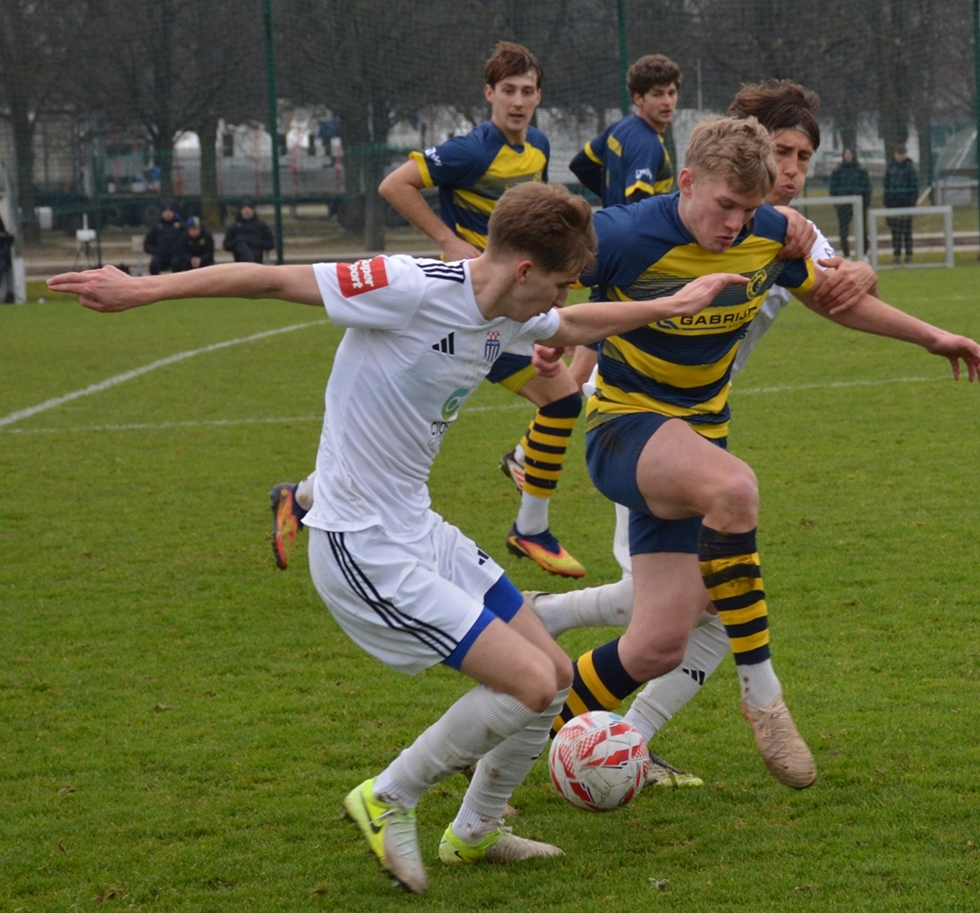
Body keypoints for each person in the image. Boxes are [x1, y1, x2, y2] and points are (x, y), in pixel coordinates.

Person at [46, 182, 743, 895]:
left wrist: (666, 306)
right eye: (560, 281)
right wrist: (144, 289)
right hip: (360, 542)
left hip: (419, 527)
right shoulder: (407, 286)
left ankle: (475, 832)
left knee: (558, 674)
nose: (562, 298)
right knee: (533, 685)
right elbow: (270, 279)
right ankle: (388, 796)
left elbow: (571, 323)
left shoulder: (511, 309)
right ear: (524, 269)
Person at [531, 85, 980, 791]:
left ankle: (515, 733)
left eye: (749, 210)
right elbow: (535, 270)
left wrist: (933, 337)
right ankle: (764, 700)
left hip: (696, 442)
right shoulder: (623, 234)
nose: (736, 224)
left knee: (658, 644)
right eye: (726, 206)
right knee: (736, 490)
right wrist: (547, 329)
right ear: (687, 182)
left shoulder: (768, 234)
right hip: (624, 431)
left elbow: (835, 297)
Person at [279, 41, 587, 580]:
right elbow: (393, 184)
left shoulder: (537, 146)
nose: (518, 101)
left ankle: (301, 496)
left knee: (560, 400)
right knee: (554, 401)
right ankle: (529, 523)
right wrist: (448, 239)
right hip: (466, 311)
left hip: (507, 310)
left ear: (540, 96)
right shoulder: (471, 150)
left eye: (527, 91)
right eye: (508, 91)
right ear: (489, 94)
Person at [569, 54, 680, 206]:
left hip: (613, 220)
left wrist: (613, 199)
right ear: (638, 98)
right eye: (657, 95)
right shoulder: (646, 144)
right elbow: (638, 208)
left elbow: (581, 165)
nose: (667, 102)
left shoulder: (620, 127)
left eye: (671, 93)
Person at [828, 147, 871, 256]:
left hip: (860, 206)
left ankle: (864, 254)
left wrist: (865, 202)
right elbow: (833, 188)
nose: (848, 156)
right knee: (844, 230)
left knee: (862, 229)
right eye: (846, 153)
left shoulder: (860, 170)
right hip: (843, 206)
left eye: (849, 153)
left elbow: (867, 187)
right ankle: (846, 254)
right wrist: (837, 202)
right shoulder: (838, 171)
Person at [883, 144, 919, 263]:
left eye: (902, 154)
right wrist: (887, 202)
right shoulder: (890, 168)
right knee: (895, 232)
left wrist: (912, 203)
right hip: (893, 205)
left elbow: (914, 187)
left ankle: (909, 255)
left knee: (907, 231)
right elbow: (886, 186)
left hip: (906, 204)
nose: (900, 157)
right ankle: (896, 255)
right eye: (898, 154)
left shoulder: (910, 168)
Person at [143, 204, 185, 275]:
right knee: (154, 264)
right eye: (166, 212)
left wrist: (179, 251)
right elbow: (147, 244)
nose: (168, 214)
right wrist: (156, 251)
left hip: (175, 255)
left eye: (170, 211)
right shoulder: (156, 227)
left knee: (178, 263)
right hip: (161, 255)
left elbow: (185, 241)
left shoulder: (181, 227)